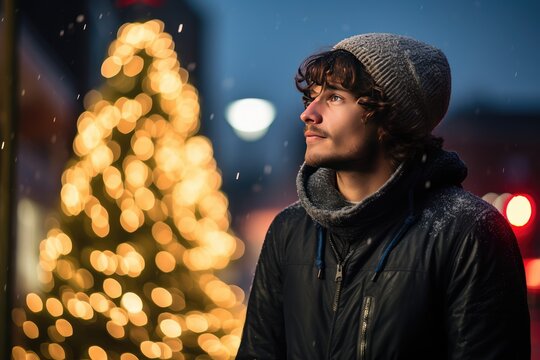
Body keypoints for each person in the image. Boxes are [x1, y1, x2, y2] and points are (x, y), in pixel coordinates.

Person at [237, 33, 530, 359]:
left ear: (390, 117)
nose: (308, 114)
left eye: (334, 97)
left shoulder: (469, 232)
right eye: (312, 98)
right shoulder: (289, 229)